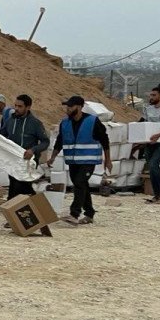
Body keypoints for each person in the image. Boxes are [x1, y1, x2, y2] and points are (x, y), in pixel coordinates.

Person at [47, 96, 112, 225]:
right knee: (82, 185)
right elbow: (59, 141)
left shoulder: (92, 121)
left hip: (88, 161)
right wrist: (52, 157)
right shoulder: (65, 123)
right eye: (67, 106)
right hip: (73, 162)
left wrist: (108, 160)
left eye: (70, 106)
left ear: (80, 107)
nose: (68, 109)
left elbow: (105, 141)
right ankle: (89, 213)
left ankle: (74, 214)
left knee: (79, 182)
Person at [0, 94, 50, 198]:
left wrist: (33, 150)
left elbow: (45, 142)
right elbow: (1, 136)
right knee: (14, 186)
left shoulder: (35, 123)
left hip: (28, 161)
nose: (16, 109)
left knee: (21, 187)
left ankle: (32, 203)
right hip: (13, 160)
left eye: (20, 106)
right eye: (15, 106)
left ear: (28, 107)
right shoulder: (10, 121)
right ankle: (16, 204)